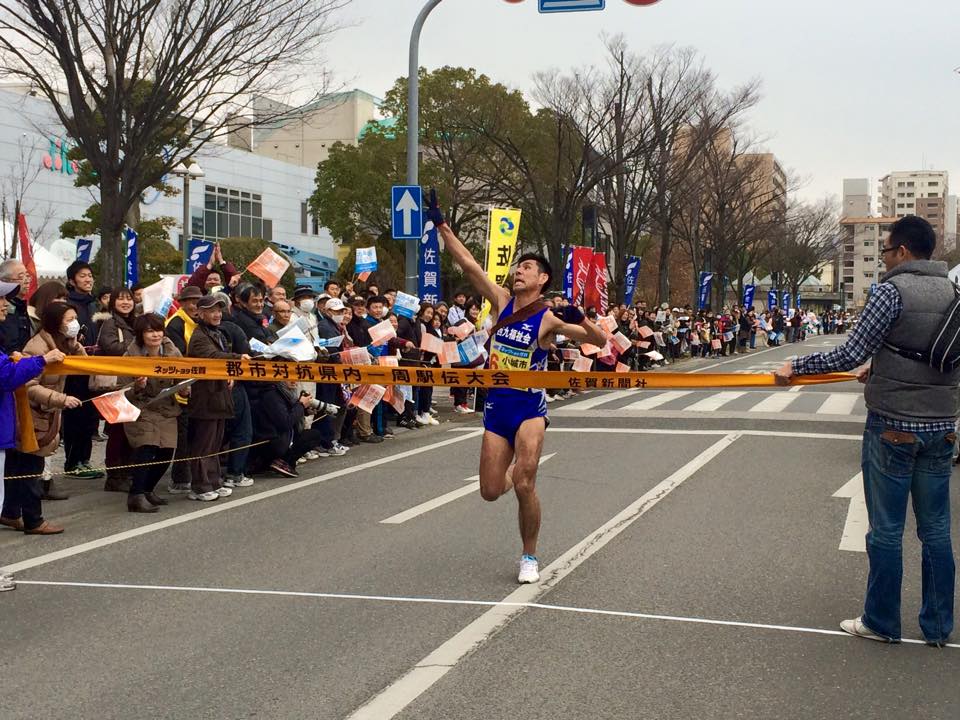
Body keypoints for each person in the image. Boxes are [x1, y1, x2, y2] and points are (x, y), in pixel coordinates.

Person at [775, 216, 957, 647]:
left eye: (886, 251)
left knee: (887, 529)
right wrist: (881, 366)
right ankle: (937, 626)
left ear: (904, 251)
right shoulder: (955, 293)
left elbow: (850, 352)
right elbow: (938, 354)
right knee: (936, 530)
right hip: (942, 427)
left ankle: (882, 621)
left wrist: (796, 366)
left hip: (893, 425)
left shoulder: (891, 292)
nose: (884, 260)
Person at [428, 190, 606, 583]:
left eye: (527, 267)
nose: (519, 271)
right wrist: (441, 225)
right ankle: (513, 468)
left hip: (529, 409)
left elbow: (599, 341)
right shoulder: (502, 301)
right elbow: (469, 264)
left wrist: (580, 317)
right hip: (497, 407)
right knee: (491, 491)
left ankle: (529, 556)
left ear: (543, 279)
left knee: (525, 482)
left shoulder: (548, 318)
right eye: (518, 266)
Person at [2, 302, 84, 535]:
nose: (74, 323)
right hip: (29, 416)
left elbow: (86, 364)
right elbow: (28, 386)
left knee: (19, 468)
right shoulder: (37, 346)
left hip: (44, 416)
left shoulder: (63, 343)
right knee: (31, 468)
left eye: (75, 318)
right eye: (69, 319)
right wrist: (60, 399)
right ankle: (34, 520)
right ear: (56, 322)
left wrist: (74, 344)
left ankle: (10, 513)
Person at [186, 294, 249, 501]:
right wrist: (237, 358)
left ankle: (213, 482)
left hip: (219, 395)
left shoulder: (217, 333)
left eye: (219, 310)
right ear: (200, 313)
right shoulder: (199, 336)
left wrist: (229, 374)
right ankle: (200, 486)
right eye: (212, 311)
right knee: (203, 444)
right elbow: (213, 357)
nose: (217, 314)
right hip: (205, 397)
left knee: (215, 443)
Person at [121, 314, 184, 513]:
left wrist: (184, 388)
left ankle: (148, 489)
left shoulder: (173, 352)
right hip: (142, 408)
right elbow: (121, 390)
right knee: (147, 448)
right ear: (141, 334)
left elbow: (183, 377)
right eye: (150, 331)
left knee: (167, 451)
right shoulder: (130, 357)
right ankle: (136, 494)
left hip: (166, 407)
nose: (155, 335)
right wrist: (137, 386)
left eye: (158, 330)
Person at [95, 287, 138, 493]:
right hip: (114, 384)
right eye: (120, 299)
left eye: (129, 299)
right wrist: (137, 344)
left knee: (130, 429)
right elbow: (111, 348)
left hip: (131, 382)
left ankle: (127, 471)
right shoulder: (109, 323)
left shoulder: (136, 321)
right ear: (112, 303)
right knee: (118, 432)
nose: (125, 302)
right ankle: (114, 475)